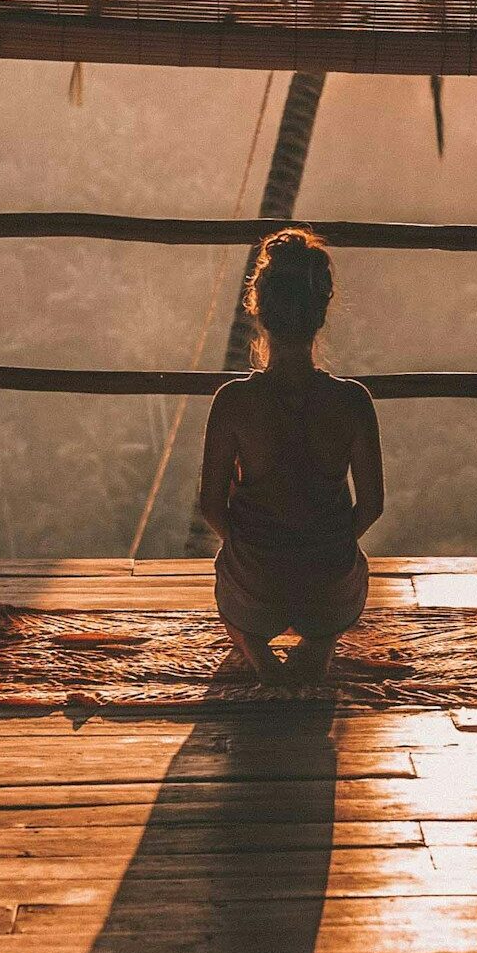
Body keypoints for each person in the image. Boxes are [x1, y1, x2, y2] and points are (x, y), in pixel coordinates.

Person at [198, 228, 384, 684]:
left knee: (232, 587)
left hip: (256, 584)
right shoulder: (352, 401)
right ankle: (320, 642)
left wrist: (251, 547)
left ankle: (257, 651)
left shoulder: (233, 402)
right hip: (328, 587)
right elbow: (373, 505)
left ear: (258, 310)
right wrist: (328, 543)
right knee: (342, 576)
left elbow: (210, 506)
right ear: (320, 313)